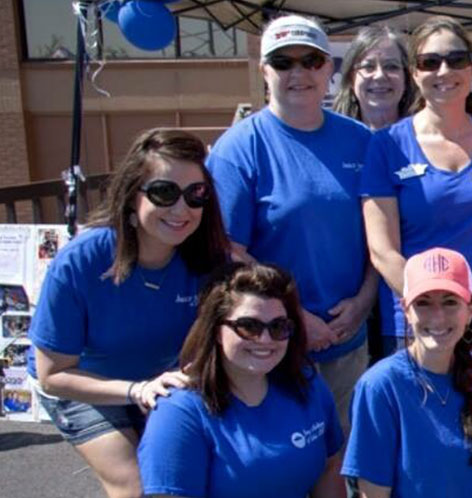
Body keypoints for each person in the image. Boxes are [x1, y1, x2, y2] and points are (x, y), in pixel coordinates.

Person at [28, 129, 231, 497]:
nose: (181, 209)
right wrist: (135, 390)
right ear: (131, 196)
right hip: (84, 385)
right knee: (138, 485)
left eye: (195, 194)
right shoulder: (83, 261)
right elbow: (52, 375)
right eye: (164, 193)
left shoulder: (210, 259)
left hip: (163, 382)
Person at [207, 14, 377, 432]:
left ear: (329, 70)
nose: (298, 72)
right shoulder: (238, 149)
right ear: (265, 71)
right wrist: (296, 316)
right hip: (269, 345)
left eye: (311, 60)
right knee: (284, 461)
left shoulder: (362, 140)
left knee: (340, 462)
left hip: (346, 341)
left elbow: (382, 235)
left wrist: (363, 302)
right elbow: (228, 254)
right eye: (283, 62)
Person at [361, 15, 472, 385]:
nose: (444, 70)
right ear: (414, 73)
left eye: (456, 59)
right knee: (420, 436)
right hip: (417, 323)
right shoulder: (387, 145)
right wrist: (437, 311)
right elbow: (383, 251)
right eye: (429, 62)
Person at [137, 263, 344, 498]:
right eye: (248, 327)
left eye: (278, 327)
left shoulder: (307, 384)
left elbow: (329, 468)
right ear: (216, 330)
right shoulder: (179, 412)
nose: (265, 339)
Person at [343, 248, 472, 497]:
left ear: (471, 309)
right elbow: (373, 492)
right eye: (423, 303)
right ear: (406, 310)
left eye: (450, 302)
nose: (438, 316)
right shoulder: (380, 386)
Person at [332, 26, 417, 130]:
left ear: (406, 78)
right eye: (368, 66)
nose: (379, 76)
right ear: (351, 78)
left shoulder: (422, 139)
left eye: (391, 66)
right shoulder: (333, 138)